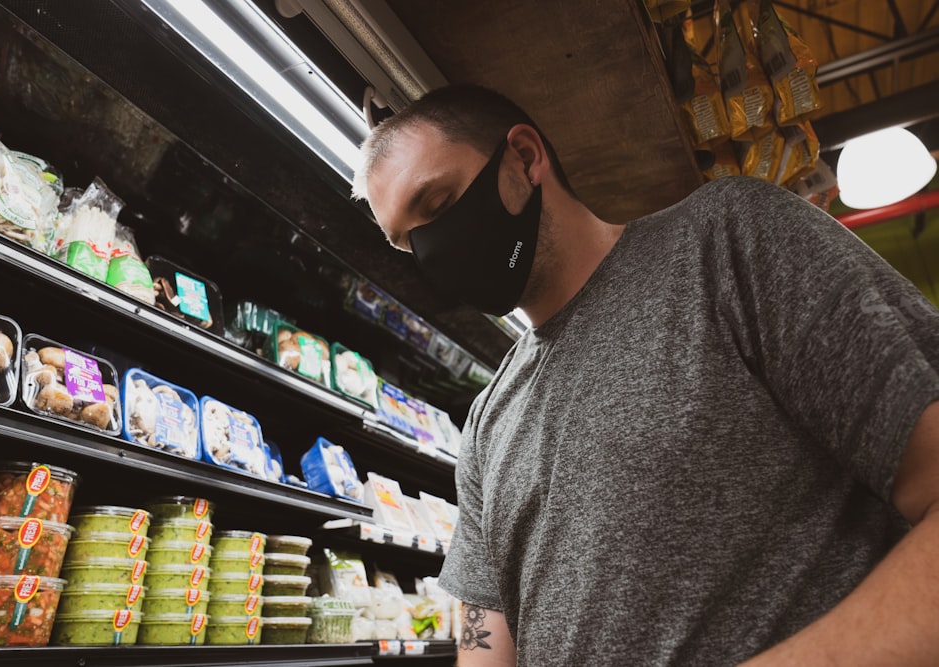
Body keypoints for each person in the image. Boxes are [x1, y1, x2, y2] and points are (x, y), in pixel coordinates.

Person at [351, 84, 939, 666]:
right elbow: (485, 643)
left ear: (525, 159)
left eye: (439, 206)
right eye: (408, 243)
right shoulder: (487, 423)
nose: (432, 253)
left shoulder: (725, 242)